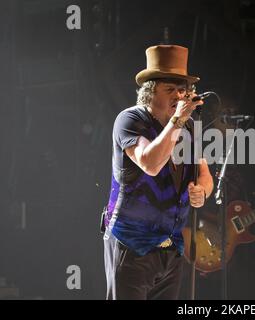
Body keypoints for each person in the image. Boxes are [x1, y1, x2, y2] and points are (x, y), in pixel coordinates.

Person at [102, 45, 214, 300]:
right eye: (170, 89)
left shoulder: (189, 129)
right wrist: (177, 121)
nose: (178, 95)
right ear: (149, 93)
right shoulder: (130, 120)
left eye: (182, 89)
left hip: (171, 248)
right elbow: (150, 164)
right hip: (132, 245)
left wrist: (202, 192)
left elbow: (204, 174)